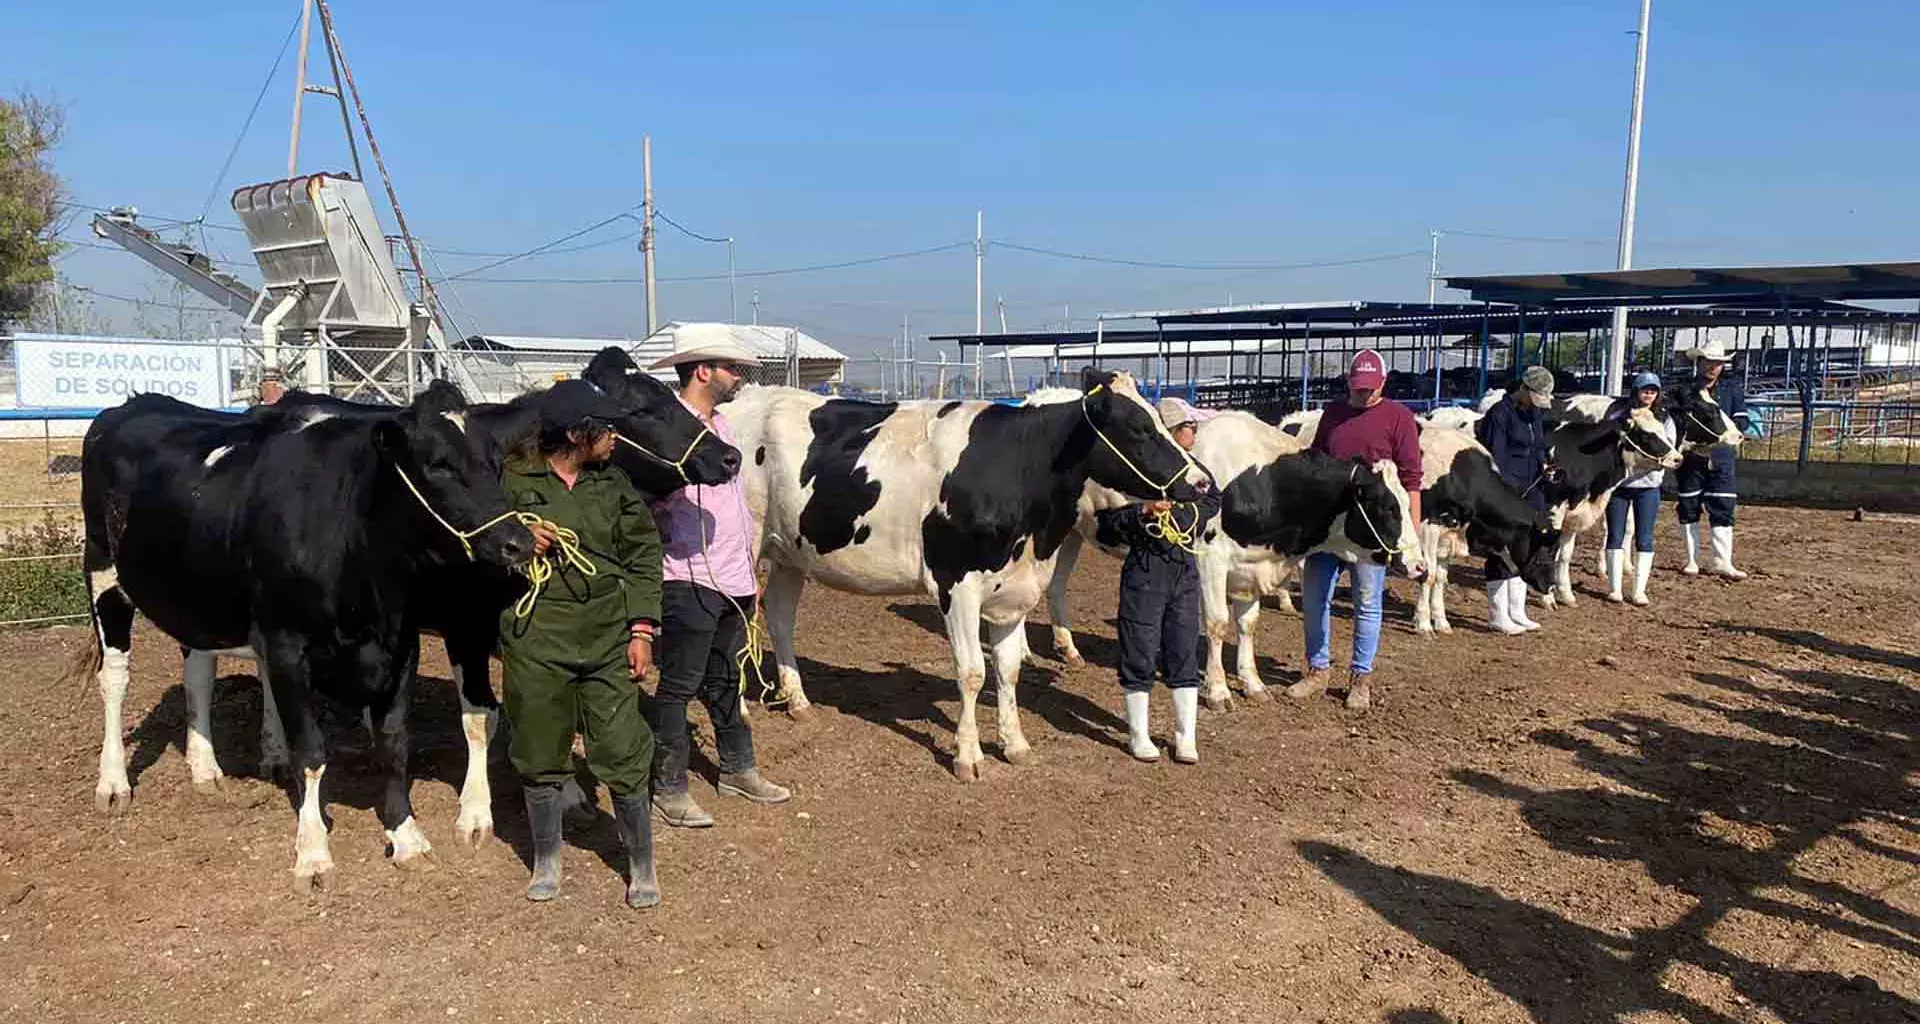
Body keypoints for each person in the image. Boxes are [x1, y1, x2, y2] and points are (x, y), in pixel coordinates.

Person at [499, 379, 662, 909]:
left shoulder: (613, 485)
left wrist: (641, 630)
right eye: (606, 427)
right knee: (540, 747)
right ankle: (547, 860)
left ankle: (641, 865)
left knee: (621, 746)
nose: (615, 436)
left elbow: (642, 558)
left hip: (607, 634)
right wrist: (519, 539)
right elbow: (474, 546)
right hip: (536, 636)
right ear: (576, 433)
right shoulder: (510, 483)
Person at [645, 326, 790, 828]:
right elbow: (649, 496)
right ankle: (669, 787)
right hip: (687, 573)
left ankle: (737, 768)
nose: (739, 377)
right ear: (702, 371)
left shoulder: (723, 427)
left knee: (728, 675)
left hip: (732, 576)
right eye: (732, 369)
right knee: (680, 683)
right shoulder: (665, 433)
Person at [1290, 349, 1423, 711]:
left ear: (1383, 382)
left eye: (1370, 387)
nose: (1363, 394)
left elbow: (1412, 480)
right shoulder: (1333, 414)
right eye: (1357, 387)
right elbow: (1316, 463)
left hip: (1372, 531)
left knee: (1367, 601)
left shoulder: (1399, 418)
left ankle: (1360, 677)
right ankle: (1317, 669)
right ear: (1349, 382)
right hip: (1329, 527)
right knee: (1315, 598)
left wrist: (1410, 535)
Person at [1094, 397, 1217, 764]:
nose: (1192, 433)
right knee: (1140, 646)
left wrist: (1184, 515)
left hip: (1184, 569)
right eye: (1186, 427)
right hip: (1145, 569)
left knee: (1183, 647)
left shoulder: (1197, 473)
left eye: (1192, 427)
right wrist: (1142, 513)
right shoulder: (1135, 474)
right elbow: (1105, 523)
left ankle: (1186, 736)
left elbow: (1214, 500)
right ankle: (1139, 734)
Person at [1475, 365, 1555, 635]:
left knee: (1528, 547)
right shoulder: (1499, 414)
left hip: (1534, 488)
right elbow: (1494, 456)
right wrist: (1506, 492)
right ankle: (1498, 614)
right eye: (1536, 397)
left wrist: (1545, 463)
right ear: (1523, 389)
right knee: (1502, 548)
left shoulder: (1535, 413)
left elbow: (1539, 445)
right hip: (1507, 491)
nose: (1538, 403)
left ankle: (1518, 610)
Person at [1674, 340, 1750, 579]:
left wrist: (1724, 429)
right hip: (1692, 455)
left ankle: (1722, 561)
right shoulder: (1684, 390)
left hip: (1721, 456)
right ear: (1699, 362)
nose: (1713, 367)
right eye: (1709, 362)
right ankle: (1692, 560)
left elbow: (1742, 420)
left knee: (1723, 505)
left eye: (1718, 363)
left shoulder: (1731, 389)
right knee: (1689, 506)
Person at [1603, 371, 1676, 606]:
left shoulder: (1665, 419)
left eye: (1653, 390)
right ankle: (1614, 588)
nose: (1649, 394)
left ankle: (1639, 590)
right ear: (1636, 391)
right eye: (1645, 389)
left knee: (1644, 537)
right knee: (1615, 534)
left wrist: (1651, 465)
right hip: (1621, 485)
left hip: (1649, 486)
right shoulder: (1620, 415)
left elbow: (1668, 451)